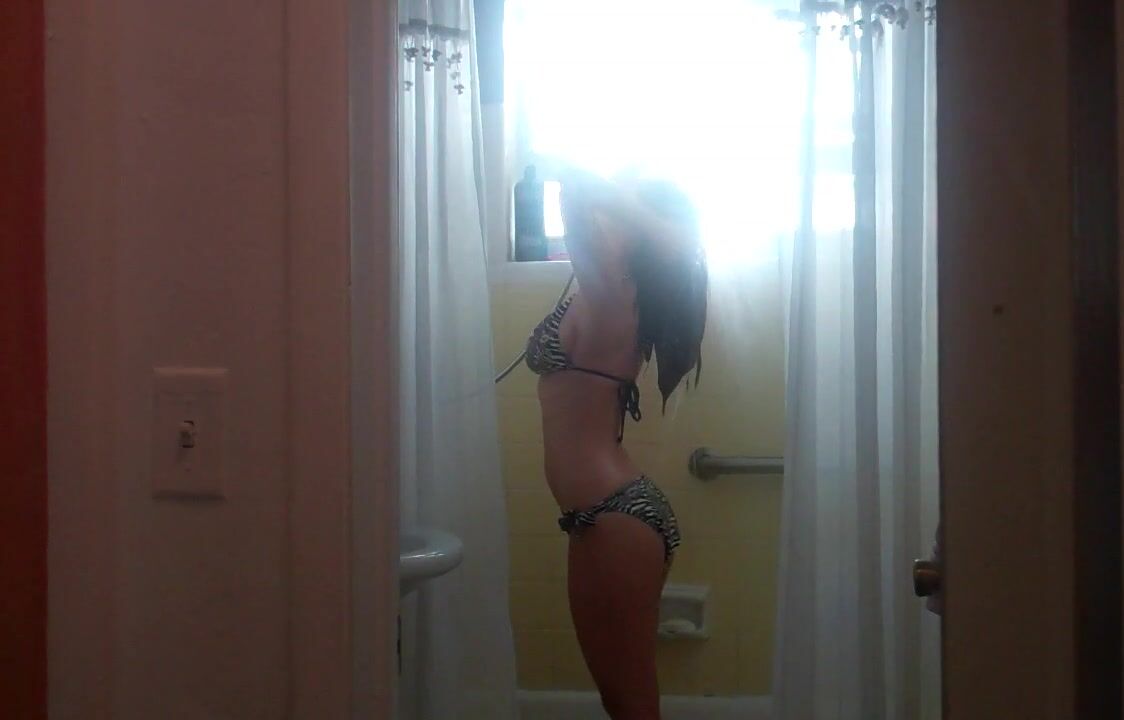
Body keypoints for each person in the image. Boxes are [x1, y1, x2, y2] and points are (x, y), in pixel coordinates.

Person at [522, 165, 708, 719]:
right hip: (598, 516)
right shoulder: (603, 291)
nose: (605, 220)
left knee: (632, 702)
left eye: (621, 214)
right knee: (618, 698)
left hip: (617, 516)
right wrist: (618, 196)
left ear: (640, 230)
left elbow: (577, 201)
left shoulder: (615, 292)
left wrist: (607, 187)